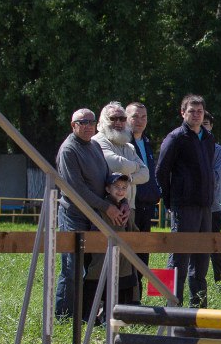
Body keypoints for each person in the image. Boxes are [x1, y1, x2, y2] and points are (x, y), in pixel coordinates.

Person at [54, 108, 128, 319]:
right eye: (82, 122)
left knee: (93, 267)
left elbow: (108, 180)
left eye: (91, 121)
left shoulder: (94, 145)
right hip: (74, 215)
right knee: (72, 268)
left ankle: (86, 314)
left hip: (96, 216)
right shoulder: (69, 150)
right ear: (73, 125)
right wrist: (107, 207)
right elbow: (76, 189)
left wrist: (122, 202)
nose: (87, 125)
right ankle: (65, 317)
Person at [155, 94, 216, 307]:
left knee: (201, 259)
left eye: (200, 111)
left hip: (204, 206)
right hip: (184, 205)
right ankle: (171, 306)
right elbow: (162, 171)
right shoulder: (175, 138)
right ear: (183, 113)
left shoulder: (208, 138)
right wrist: (171, 201)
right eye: (192, 111)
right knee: (178, 257)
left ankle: (198, 307)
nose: (197, 115)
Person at [81, 173, 141, 319]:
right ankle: (89, 317)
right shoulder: (101, 208)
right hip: (101, 257)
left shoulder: (128, 211)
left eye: (124, 188)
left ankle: (112, 317)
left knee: (120, 289)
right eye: (117, 187)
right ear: (108, 188)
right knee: (96, 286)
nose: (120, 190)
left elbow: (134, 232)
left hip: (123, 259)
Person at [125, 101, 161, 280]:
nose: (140, 121)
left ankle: (137, 303)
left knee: (143, 257)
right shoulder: (122, 142)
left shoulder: (146, 142)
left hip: (147, 206)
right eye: (135, 116)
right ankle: (126, 303)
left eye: (143, 117)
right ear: (126, 119)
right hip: (130, 206)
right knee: (128, 257)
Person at [93, 102, 150, 204]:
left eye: (122, 119)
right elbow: (120, 165)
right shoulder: (97, 141)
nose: (118, 123)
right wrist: (137, 167)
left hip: (128, 206)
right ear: (103, 121)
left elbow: (145, 174)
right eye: (113, 119)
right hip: (107, 205)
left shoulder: (128, 146)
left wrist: (127, 178)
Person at [201, 111, 221, 288]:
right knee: (179, 250)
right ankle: (170, 291)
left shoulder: (219, 151)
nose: (203, 127)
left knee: (215, 248)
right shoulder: (182, 143)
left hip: (212, 208)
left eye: (206, 123)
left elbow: (215, 178)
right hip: (187, 209)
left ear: (211, 126)